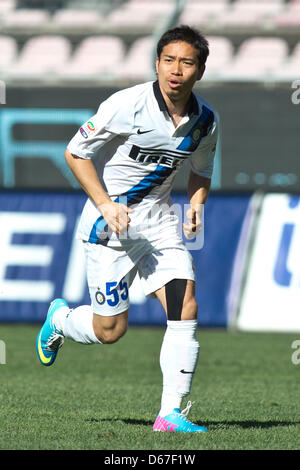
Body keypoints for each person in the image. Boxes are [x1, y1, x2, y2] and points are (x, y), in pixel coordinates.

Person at [36, 25, 218, 433]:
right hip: (109, 227)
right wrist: (106, 203)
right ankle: (61, 320)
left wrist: (196, 205)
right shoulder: (127, 104)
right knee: (110, 330)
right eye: (168, 60)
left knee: (184, 301)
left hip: (159, 225)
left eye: (186, 62)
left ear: (199, 70)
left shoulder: (205, 122)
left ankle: (170, 414)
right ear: (156, 63)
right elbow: (76, 153)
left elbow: (202, 172)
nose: (176, 70)